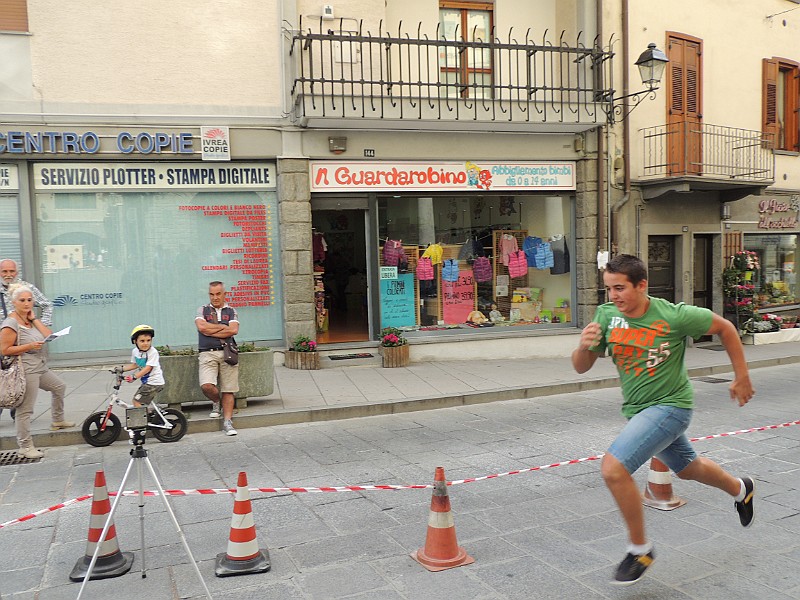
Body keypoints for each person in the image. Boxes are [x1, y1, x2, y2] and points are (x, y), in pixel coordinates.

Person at [571, 254, 755, 586]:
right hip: (639, 409)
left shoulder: (674, 315)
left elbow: (725, 328)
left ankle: (640, 549)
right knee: (688, 469)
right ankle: (742, 489)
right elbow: (581, 366)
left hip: (672, 406)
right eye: (608, 289)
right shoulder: (607, 316)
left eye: (620, 288)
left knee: (613, 469)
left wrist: (741, 376)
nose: (613, 296)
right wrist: (584, 347)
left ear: (642, 285)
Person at [0, 284, 72, 459]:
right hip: (26, 370)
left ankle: (58, 420)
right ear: (14, 302)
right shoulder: (10, 323)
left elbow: (48, 334)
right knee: (25, 410)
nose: (27, 304)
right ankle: (25, 446)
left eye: (30, 300)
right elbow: (4, 349)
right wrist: (29, 346)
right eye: (22, 300)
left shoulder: (29, 319)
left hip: (39, 366)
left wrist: (35, 319)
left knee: (59, 387)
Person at [0, 259, 54, 422]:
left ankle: (18, 411)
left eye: (12, 271)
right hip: (3, 340)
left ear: (17, 272)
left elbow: (47, 305)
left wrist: (40, 327)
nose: (8, 275)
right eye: (5, 272)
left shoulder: (27, 288)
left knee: (19, 377)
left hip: (22, 341)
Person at [195, 281, 239, 436]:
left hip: (227, 352)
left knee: (228, 389)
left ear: (224, 294)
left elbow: (233, 330)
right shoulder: (202, 309)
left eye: (218, 294)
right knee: (207, 386)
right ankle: (216, 401)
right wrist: (223, 328)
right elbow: (201, 327)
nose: (215, 297)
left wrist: (210, 330)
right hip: (207, 352)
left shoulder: (231, 310)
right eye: (212, 294)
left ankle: (227, 422)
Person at [121, 325, 165, 408]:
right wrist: (121, 369)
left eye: (148, 340)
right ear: (135, 341)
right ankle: (150, 415)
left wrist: (134, 377)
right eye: (142, 341)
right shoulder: (135, 352)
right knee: (140, 402)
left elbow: (148, 368)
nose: (146, 343)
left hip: (154, 383)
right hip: (147, 382)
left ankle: (143, 420)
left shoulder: (153, 352)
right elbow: (135, 364)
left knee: (136, 401)